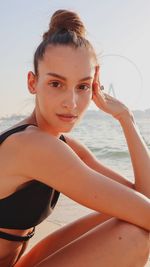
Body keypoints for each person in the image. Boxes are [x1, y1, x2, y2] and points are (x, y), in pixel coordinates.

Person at [0, 9, 149, 267]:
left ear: (94, 87)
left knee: (130, 221)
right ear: (32, 82)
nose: (71, 103)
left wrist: (126, 118)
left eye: (82, 86)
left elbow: (143, 198)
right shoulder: (31, 145)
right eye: (56, 84)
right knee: (135, 236)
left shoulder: (64, 146)